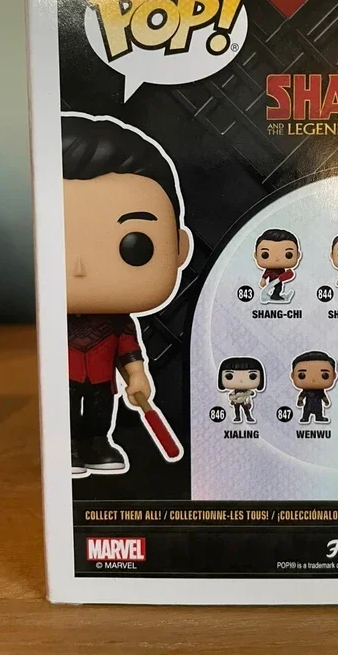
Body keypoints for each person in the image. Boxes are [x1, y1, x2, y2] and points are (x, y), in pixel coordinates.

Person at [63, 113, 192, 476]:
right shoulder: (37, 325)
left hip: (103, 381)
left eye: (135, 246)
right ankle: (66, 445)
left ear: (179, 248)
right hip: (59, 383)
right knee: (64, 411)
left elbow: (129, 351)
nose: (79, 269)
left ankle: (97, 443)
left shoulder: (118, 321)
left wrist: (137, 376)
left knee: (101, 411)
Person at [254, 229, 301, 303]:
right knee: (276, 287)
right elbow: (266, 274)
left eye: (288, 255)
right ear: (255, 255)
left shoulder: (281, 269)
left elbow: (286, 275)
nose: (277, 259)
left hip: (279, 279)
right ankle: (274, 296)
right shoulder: (269, 270)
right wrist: (263, 279)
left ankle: (275, 295)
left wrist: (287, 274)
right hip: (274, 279)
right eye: (265, 255)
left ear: (298, 255)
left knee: (279, 287)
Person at [291, 350, 337, 424]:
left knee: (319, 412)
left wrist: (326, 401)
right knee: (306, 411)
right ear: (292, 376)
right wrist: (300, 400)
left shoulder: (320, 391)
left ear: (334, 375)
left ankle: (319, 417)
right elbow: (302, 395)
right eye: (302, 375)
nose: (313, 379)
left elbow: (323, 396)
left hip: (318, 405)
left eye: (324, 375)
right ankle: (305, 418)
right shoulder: (306, 390)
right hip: (308, 405)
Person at [217, 357, 266, 423]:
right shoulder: (234, 392)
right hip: (236, 401)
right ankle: (237, 417)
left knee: (246, 410)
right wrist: (234, 397)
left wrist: (249, 393)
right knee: (237, 409)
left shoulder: (247, 391)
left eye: (252, 376)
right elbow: (231, 396)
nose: (241, 380)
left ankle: (248, 417)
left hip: (244, 401)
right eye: (229, 376)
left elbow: (251, 393)